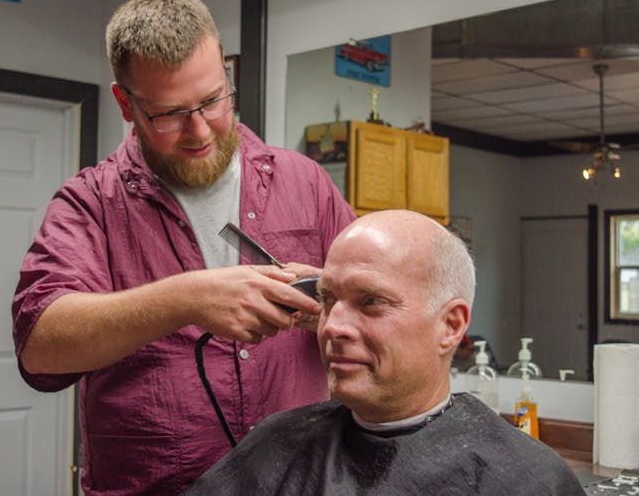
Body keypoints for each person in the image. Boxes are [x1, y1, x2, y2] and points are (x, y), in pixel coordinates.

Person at [11, 0, 356, 495]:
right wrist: (186, 299)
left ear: (226, 72)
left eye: (214, 100)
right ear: (125, 104)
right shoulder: (90, 203)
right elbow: (40, 345)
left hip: (301, 483)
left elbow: (380, 297)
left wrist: (327, 298)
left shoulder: (305, 181)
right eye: (169, 114)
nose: (200, 131)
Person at [187, 210, 585, 495]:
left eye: (371, 302)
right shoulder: (280, 442)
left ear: (450, 326)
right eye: (328, 299)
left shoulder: (526, 478)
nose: (332, 326)